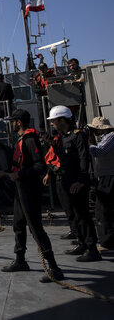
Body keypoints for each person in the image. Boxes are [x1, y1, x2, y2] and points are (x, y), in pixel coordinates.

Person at [0, 109, 63, 283]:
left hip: (29, 190)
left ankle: (54, 268)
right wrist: (3, 173)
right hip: (20, 190)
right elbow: (19, 167)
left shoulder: (30, 140)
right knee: (18, 224)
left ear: (19, 122)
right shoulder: (20, 139)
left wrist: (21, 175)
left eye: (13, 121)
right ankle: (20, 260)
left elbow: (40, 166)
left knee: (35, 228)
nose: (11, 123)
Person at [43, 106, 101, 262]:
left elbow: (84, 159)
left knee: (83, 215)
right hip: (67, 181)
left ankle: (92, 248)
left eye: (54, 121)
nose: (52, 124)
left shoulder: (78, 136)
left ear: (62, 120)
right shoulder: (63, 138)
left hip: (77, 182)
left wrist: (80, 181)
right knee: (74, 214)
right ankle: (82, 243)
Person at [87, 116, 114, 250]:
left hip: (109, 177)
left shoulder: (110, 137)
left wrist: (90, 142)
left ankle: (107, 241)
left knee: (103, 210)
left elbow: (98, 151)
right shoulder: (107, 138)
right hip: (106, 177)